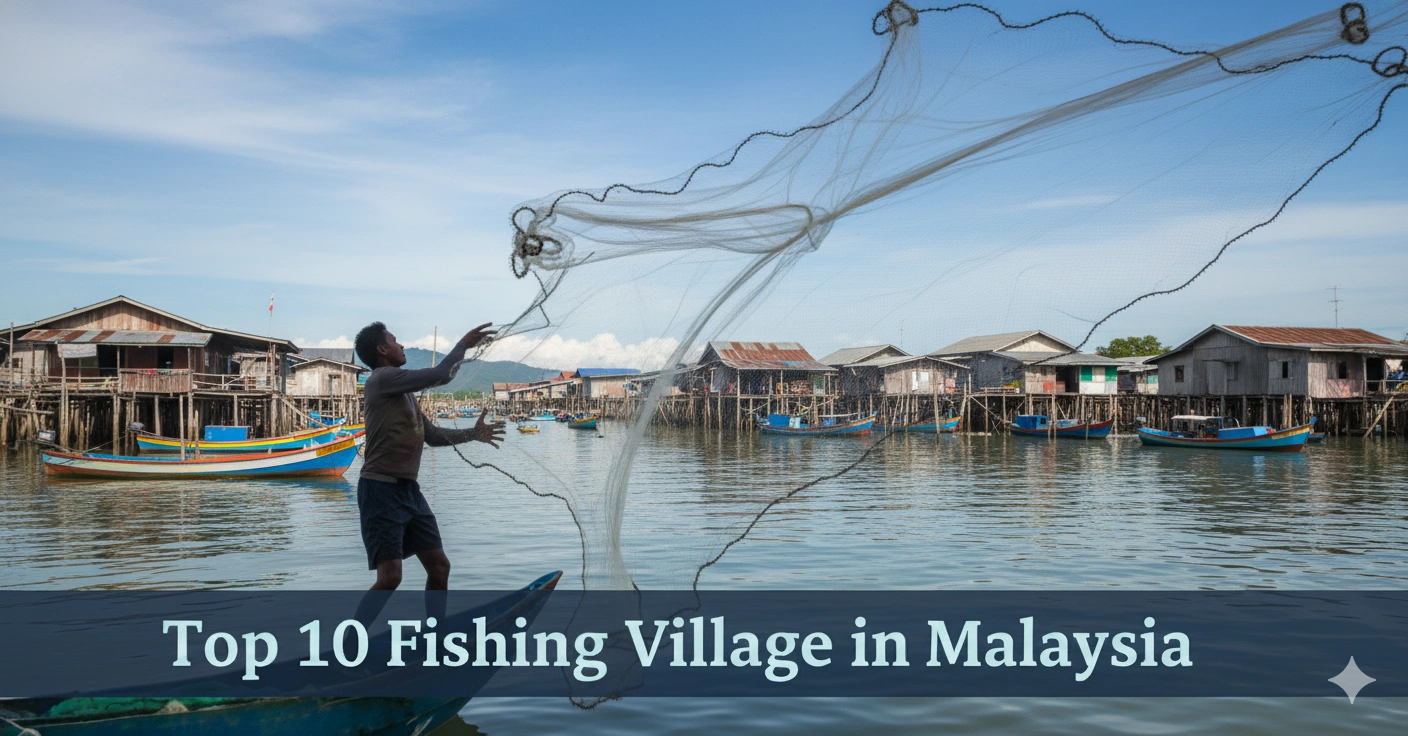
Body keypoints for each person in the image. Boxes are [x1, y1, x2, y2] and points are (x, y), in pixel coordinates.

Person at [352, 321, 505, 592]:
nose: (401, 345)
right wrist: (463, 345)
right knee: (390, 578)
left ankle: (434, 632)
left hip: (409, 491)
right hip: (380, 489)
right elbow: (442, 375)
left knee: (439, 566)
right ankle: (352, 636)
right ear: (381, 350)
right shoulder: (382, 378)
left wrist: (473, 434)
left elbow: (431, 436)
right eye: (395, 340)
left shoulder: (403, 392)